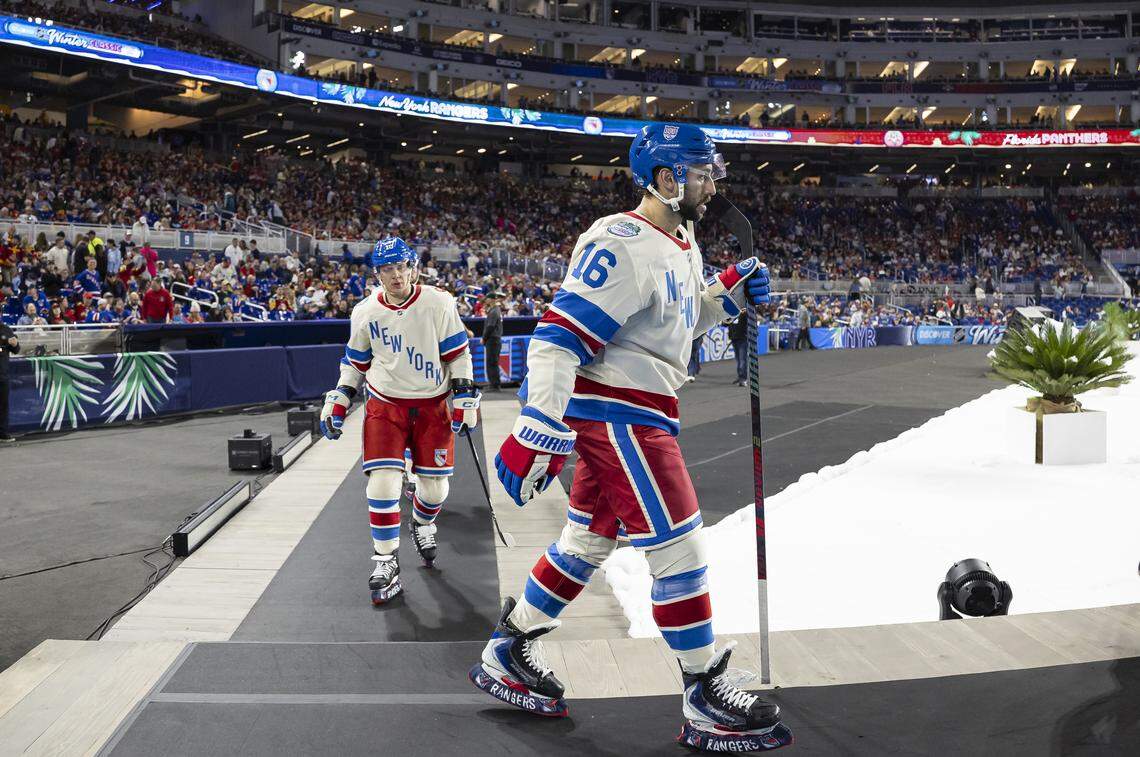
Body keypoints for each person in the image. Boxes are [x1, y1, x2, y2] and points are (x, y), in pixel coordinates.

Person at [469, 123, 786, 751]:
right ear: (666, 180)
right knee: (681, 550)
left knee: (585, 540)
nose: (711, 182)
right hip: (622, 414)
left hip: (643, 408)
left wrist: (724, 295)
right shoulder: (621, 242)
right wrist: (537, 424)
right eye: (700, 173)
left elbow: (677, 321)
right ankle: (702, 695)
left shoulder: (681, 237)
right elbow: (557, 337)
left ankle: (507, 650)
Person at [319, 237, 480, 604]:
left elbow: (458, 354)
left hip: (432, 406)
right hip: (385, 405)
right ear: (377, 273)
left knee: (436, 491)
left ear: (413, 267)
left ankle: (422, 523)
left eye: (402, 267)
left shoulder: (439, 303)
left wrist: (465, 394)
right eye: (388, 269)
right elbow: (355, 363)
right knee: (382, 485)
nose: (396, 275)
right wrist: (340, 397)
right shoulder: (364, 312)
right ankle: (385, 559)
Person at [482, 292, 504, 392]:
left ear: (491, 299)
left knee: (491, 362)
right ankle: (494, 384)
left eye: (487, 298)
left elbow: (490, 326)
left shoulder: (494, 311)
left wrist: (484, 338)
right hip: (495, 339)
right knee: (493, 362)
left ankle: (494, 385)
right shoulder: (496, 310)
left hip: (492, 339)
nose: (486, 300)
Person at [0, 320, 18, 442]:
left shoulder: (6, 329)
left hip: (3, 375)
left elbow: (16, 350)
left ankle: (3, 433)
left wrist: (15, 344)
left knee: (3, 405)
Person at [728, 313, 748, 386]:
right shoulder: (731, 314)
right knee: (738, 359)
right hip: (734, 338)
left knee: (742, 359)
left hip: (743, 338)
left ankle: (743, 378)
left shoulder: (744, 313)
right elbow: (726, 324)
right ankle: (740, 377)